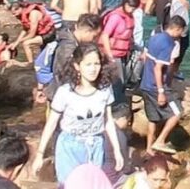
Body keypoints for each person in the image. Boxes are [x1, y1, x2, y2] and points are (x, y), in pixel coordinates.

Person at [32, 42, 124, 182]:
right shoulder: (65, 92)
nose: (93, 69)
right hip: (69, 146)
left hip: (95, 144)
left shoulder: (104, 90)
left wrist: (117, 151)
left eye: (96, 64)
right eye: (88, 64)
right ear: (77, 66)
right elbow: (51, 123)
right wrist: (39, 154)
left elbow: (108, 121)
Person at [140, 15, 186, 156]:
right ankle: (160, 140)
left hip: (145, 84)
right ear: (177, 29)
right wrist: (161, 91)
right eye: (181, 31)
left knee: (153, 118)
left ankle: (149, 149)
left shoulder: (155, 37)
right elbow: (158, 68)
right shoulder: (169, 43)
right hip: (155, 86)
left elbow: (144, 57)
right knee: (177, 112)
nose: (181, 35)